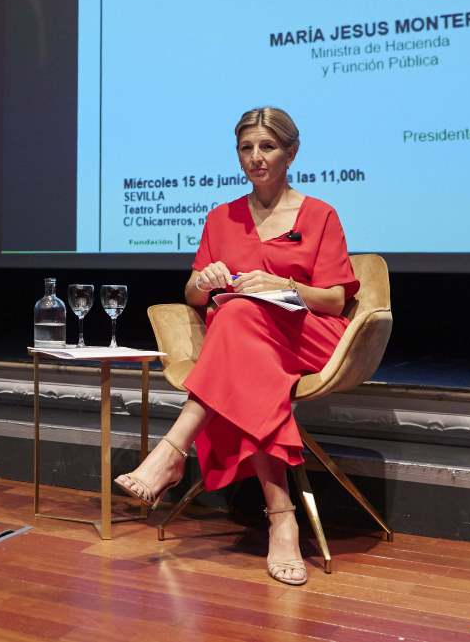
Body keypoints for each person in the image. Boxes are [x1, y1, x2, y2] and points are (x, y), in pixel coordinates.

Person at [114, 107, 358, 586]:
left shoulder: (319, 214)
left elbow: (334, 298)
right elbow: (192, 293)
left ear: (291, 152)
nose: (255, 158)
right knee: (238, 323)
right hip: (248, 344)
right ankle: (281, 516)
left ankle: (172, 450)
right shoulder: (221, 217)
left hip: (307, 335)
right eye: (246, 148)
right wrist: (203, 281)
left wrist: (279, 283)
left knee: (240, 315)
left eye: (266, 147)